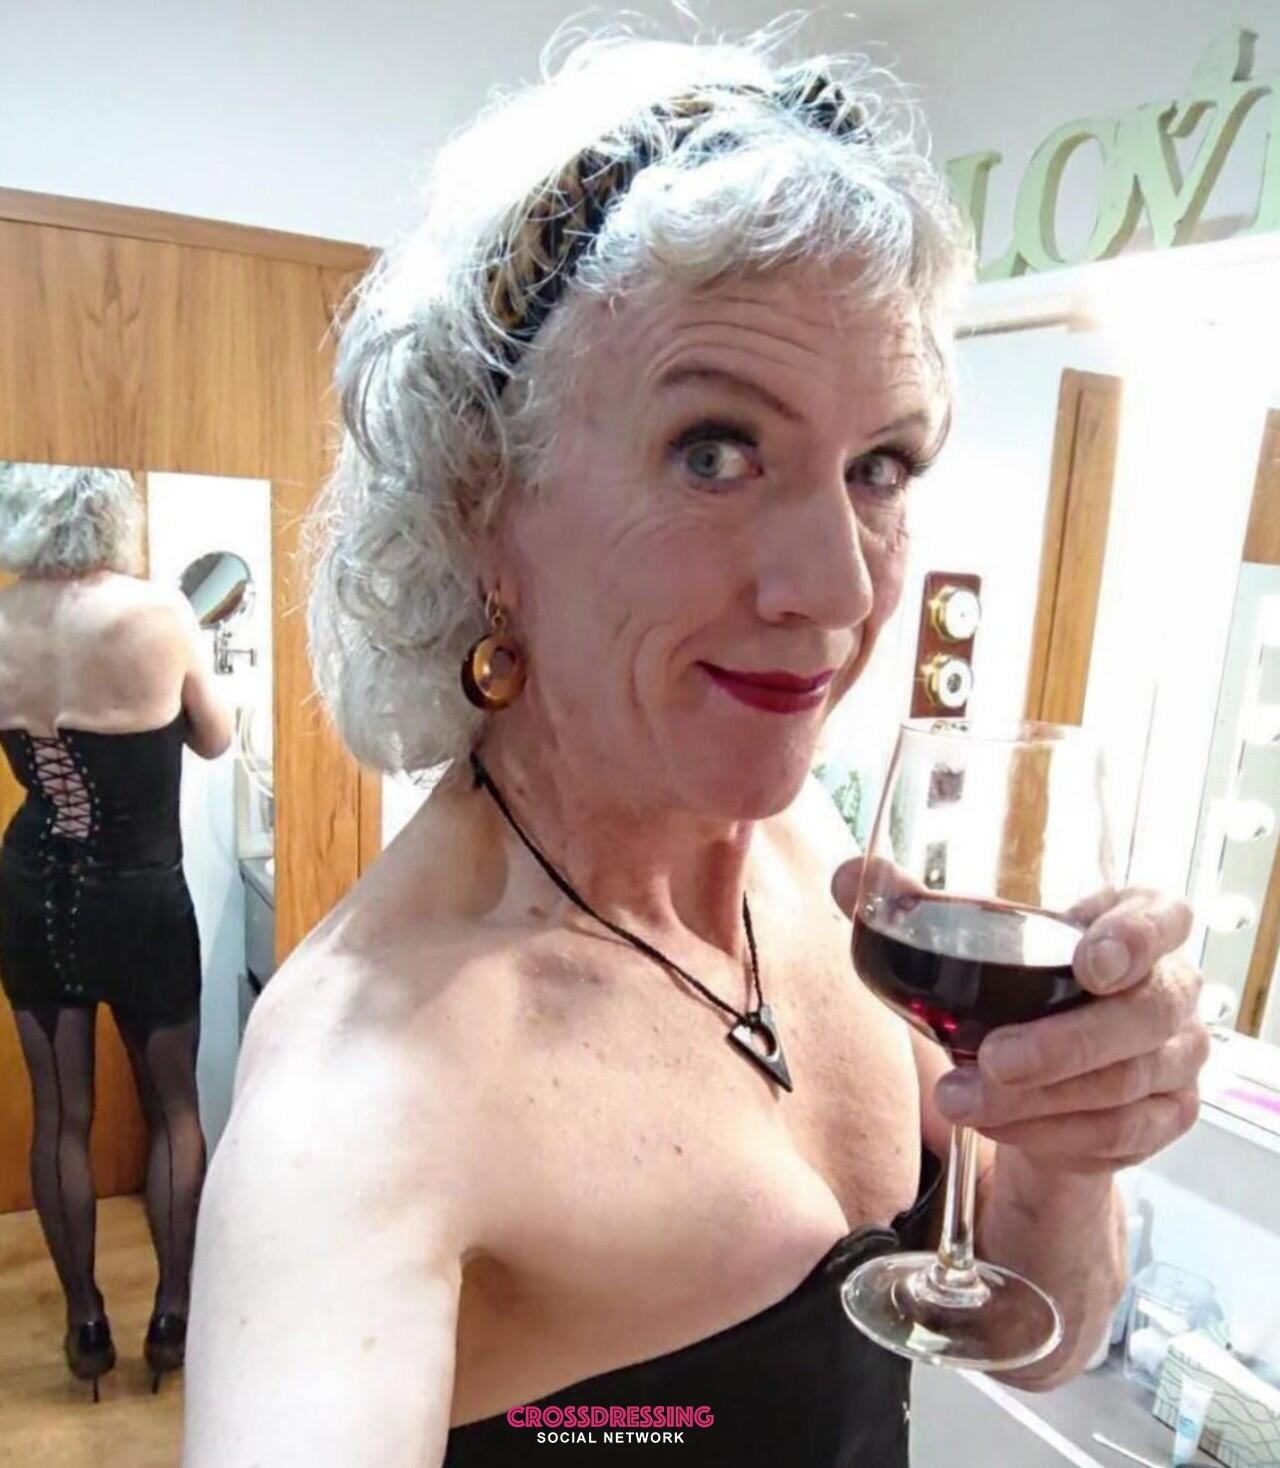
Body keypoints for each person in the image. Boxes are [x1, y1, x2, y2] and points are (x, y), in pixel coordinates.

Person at [184, 20, 1209, 1467]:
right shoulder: (367, 1094)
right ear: (483, 499)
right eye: (714, 451)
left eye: (879, 466)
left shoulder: (815, 859)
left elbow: (1041, 1331)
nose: (838, 590)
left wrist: (1065, 1146)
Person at [0, 462, 231, 1400]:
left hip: (33, 891)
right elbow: (214, 737)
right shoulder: (158, 612)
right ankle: (172, 1318)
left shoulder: (2, 618)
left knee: (61, 1115)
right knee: (173, 1107)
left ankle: (85, 1324)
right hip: (140, 897)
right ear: (111, 512)